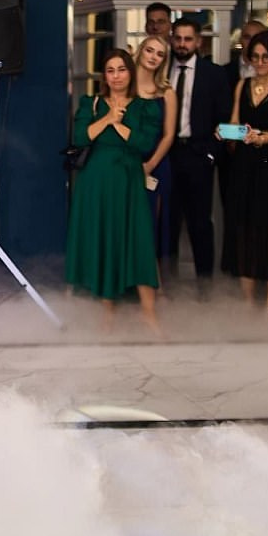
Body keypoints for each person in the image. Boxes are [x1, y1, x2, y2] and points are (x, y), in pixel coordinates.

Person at [65, 49, 164, 332]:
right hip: (95, 184)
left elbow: (144, 143)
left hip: (129, 182)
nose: (117, 76)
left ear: (130, 72)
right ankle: (107, 313)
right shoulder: (91, 103)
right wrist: (108, 118)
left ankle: (149, 314)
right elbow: (80, 137)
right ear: (104, 76)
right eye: (111, 70)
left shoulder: (145, 107)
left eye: (121, 69)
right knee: (104, 239)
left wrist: (119, 125)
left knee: (139, 242)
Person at [221, 31, 268, 309]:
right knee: (244, 228)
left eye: (265, 57)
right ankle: (247, 299)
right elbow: (235, 123)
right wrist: (226, 132)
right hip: (245, 165)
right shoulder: (242, 85)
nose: (260, 62)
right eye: (255, 57)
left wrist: (260, 139)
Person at [165, 17, 232, 291]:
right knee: (168, 222)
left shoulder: (214, 74)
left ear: (198, 42)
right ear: (172, 40)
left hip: (199, 155)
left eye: (188, 39)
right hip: (167, 154)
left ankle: (205, 285)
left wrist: (211, 154)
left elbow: (224, 118)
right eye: (178, 38)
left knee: (200, 222)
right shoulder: (162, 69)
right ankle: (167, 283)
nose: (182, 44)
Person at [134, 34, 177, 261]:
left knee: (153, 225)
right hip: (126, 163)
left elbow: (169, 135)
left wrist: (150, 165)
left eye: (160, 54)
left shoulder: (167, 92)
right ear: (141, 50)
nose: (153, 57)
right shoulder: (124, 86)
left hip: (156, 165)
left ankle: (154, 278)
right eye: (149, 50)